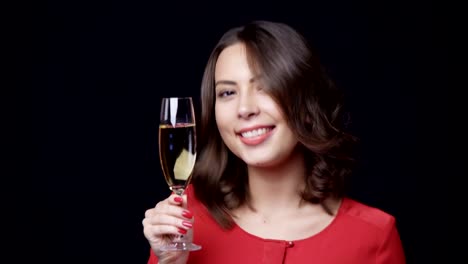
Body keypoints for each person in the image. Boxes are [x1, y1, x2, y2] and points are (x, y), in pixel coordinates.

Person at [142, 20, 406, 264]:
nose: (245, 108)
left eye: (265, 86)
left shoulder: (373, 236)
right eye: (228, 92)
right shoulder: (184, 221)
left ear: (306, 104)